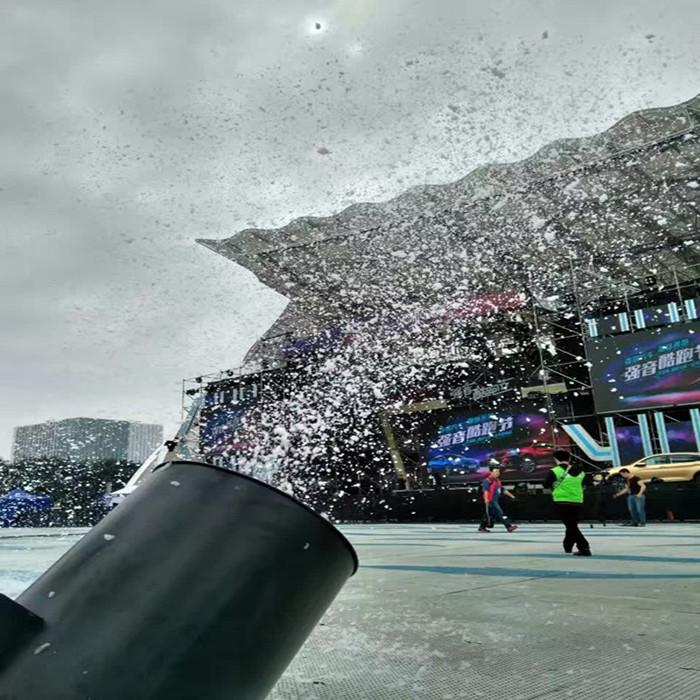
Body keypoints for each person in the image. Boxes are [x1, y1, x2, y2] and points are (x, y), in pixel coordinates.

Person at [543, 450, 591, 556]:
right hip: (578, 500)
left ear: (555, 459)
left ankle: (584, 547)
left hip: (562, 501)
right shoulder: (581, 472)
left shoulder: (555, 471)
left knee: (571, 526)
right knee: (572, 524)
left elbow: (546, 484)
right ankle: (567, 546)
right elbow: (586, 483)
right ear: (569, 459)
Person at [478, 465, 518, 532]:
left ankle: (482, 527)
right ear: (491, 472)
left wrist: (512, 496)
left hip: (495, 500)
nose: (498, 473)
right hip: (491, 500)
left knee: (489, 514)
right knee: (500, 513)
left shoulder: (497, 481)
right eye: (496, 471)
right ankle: (508, 526)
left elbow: (502, 490)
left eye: (498, 471)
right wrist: (486, 499)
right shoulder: (487, 481)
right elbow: (485, 490)